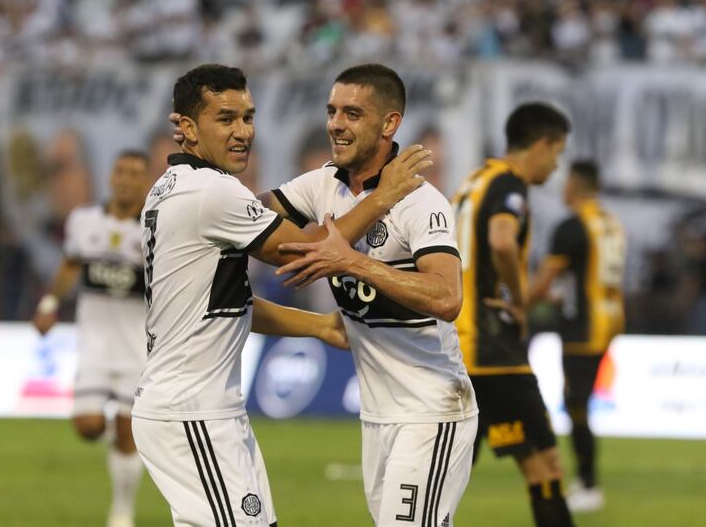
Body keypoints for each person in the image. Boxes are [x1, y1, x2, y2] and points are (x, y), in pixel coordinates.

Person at [134, 63, 431, 527]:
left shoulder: (169, 188)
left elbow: (226, 307)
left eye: (248, 117)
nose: (242, 132)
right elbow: (308, 254)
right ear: (188, 128)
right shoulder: (211, 192)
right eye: (225, 119)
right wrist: (381, 198)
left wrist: (319, 326)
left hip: (200, 408)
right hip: (191, 409)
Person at [264, 64, 479, 527]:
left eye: (353, 113)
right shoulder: (322, 184)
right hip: (378, 415)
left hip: (432, 409)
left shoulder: (421, 201)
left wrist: (353, 262)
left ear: (389, 124)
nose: (336, 124)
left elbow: (447, 298)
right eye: (332, 111)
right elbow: (252, 218)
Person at [451, 102, 575, 527]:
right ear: (541, 145)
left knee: (445, 476)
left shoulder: (473, 182)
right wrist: (521, 300)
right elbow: (502, 240)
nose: (556, 166)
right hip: (491, 348)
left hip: (456, 342)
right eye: (557, 153)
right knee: (546, 467)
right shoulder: (509, 185)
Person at [32, 150, 152, 527]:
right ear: (111, 177)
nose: (126, 179)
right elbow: (70, 265)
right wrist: (50, 303)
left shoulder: (154, 229)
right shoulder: (83, 221)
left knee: (127, 432)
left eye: (134, 173)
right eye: (120, 171)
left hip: (136, 350)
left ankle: (122, 511)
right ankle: (113, 443)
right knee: (88, 427)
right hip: (94, 347)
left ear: (145, 181)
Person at [528, 159, 626, 512]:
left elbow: (545, 280)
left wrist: (516, 304)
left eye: (567, 180)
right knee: (577, 402)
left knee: (577, 404)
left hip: (583, 327)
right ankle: (586, 481)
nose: (563, 187)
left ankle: (588, 483)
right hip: (609, 321)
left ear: (576, 184)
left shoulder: (572, 227)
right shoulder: (610, 223)